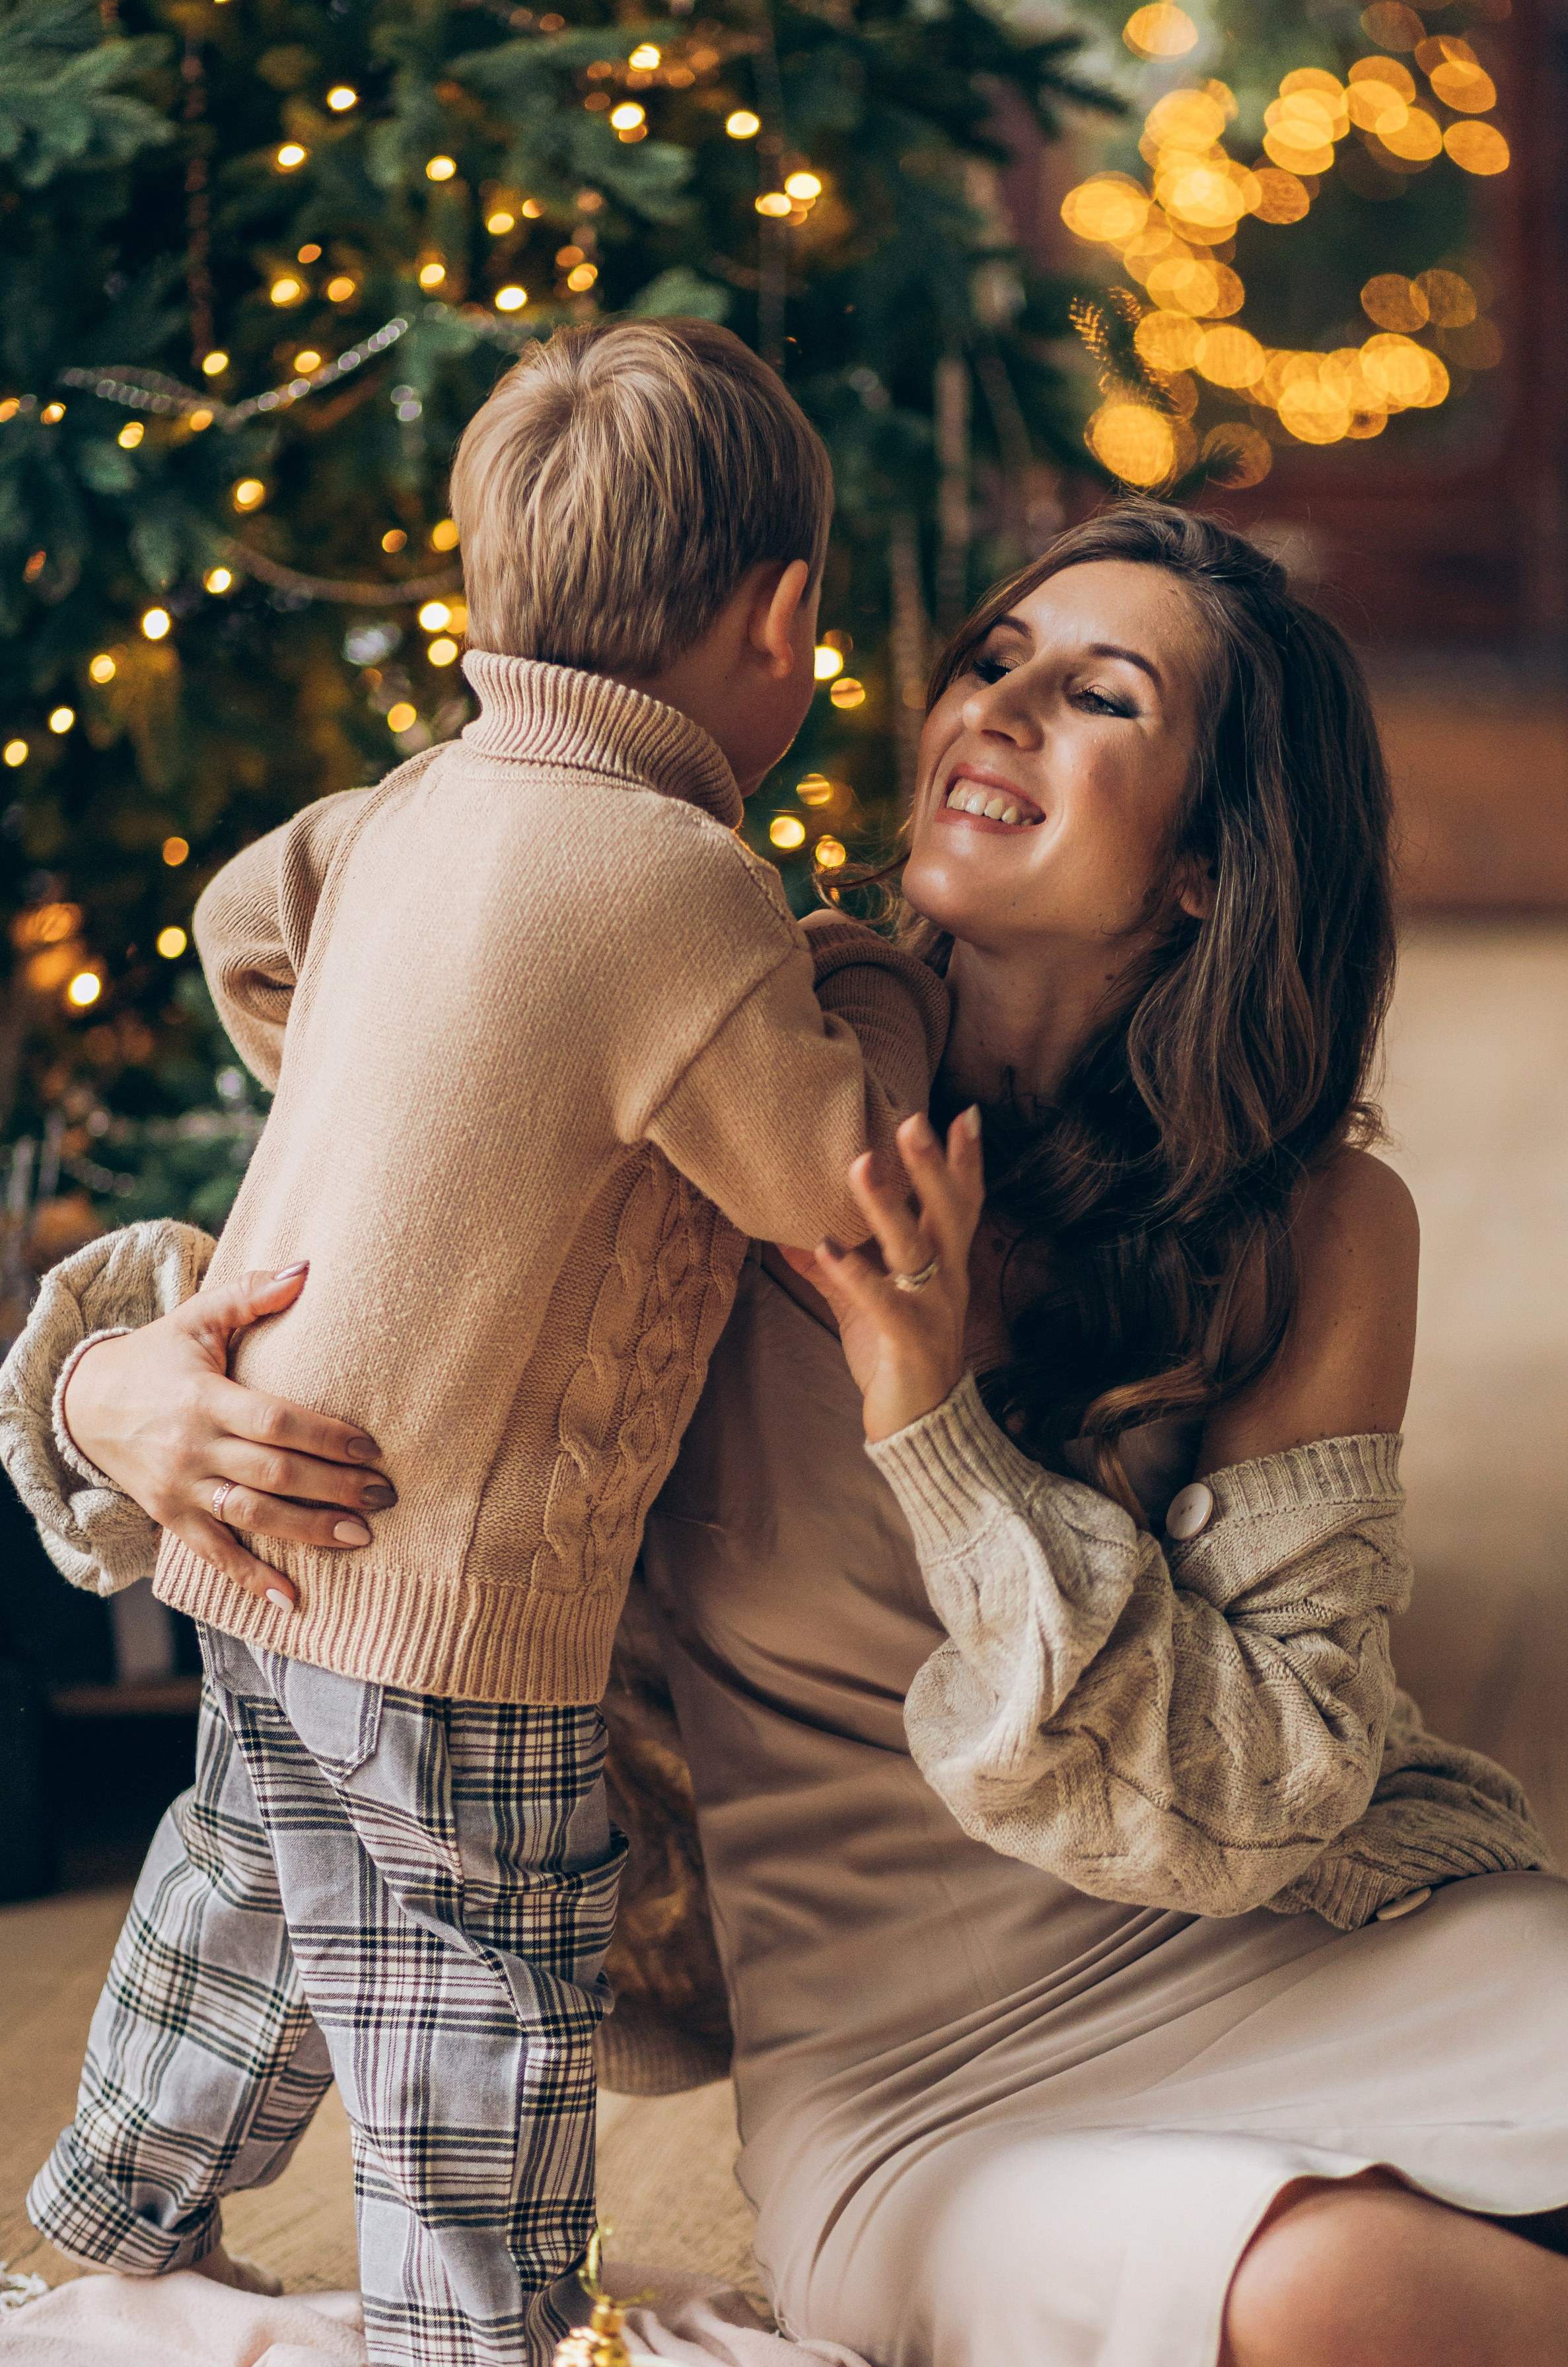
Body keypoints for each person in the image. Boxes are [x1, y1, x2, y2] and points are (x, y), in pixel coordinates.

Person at [10, 503, 1568, 2367]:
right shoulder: (731, 1043)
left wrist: (937, 1426)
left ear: (1214, 860)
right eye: (996, 662)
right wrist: (110, 1388)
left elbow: (1270, 1774)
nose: (1001, 710)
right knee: (1327, 2292)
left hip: (1320, 1939)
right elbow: (370, 1242)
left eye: (1098, 696)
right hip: (914, 2086)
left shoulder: (1314, 1229)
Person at [0, 317, 946, 2367]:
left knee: (250, 1868)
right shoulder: (689, 890)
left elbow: (244, 925)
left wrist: (362, 1081)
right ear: (782, 620)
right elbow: (833, 1176)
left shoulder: (420, 800)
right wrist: (861, 977)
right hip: (451, 1587)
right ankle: (468, 2333)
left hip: (251, 1505)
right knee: (474, 1977)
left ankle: (115, 2218)